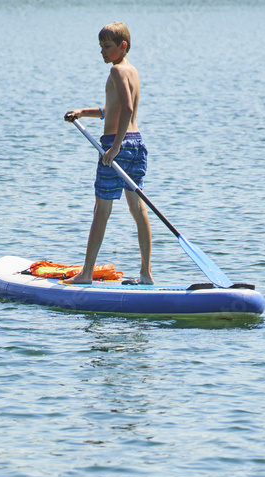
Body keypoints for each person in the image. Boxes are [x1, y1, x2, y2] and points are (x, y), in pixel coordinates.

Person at [64, 22, 153, 285]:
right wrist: (82, 112)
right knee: (138, 209)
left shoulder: (116, 71)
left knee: (101, 210)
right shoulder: (132, 71)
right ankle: (146, 274)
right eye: (100, 47)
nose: (102, 52)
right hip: (137, 144)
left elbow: (124, 110)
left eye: (107, 47)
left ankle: (87, 273)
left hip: (117, 145)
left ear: (122, 46)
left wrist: (114, 147)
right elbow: (111, 108)